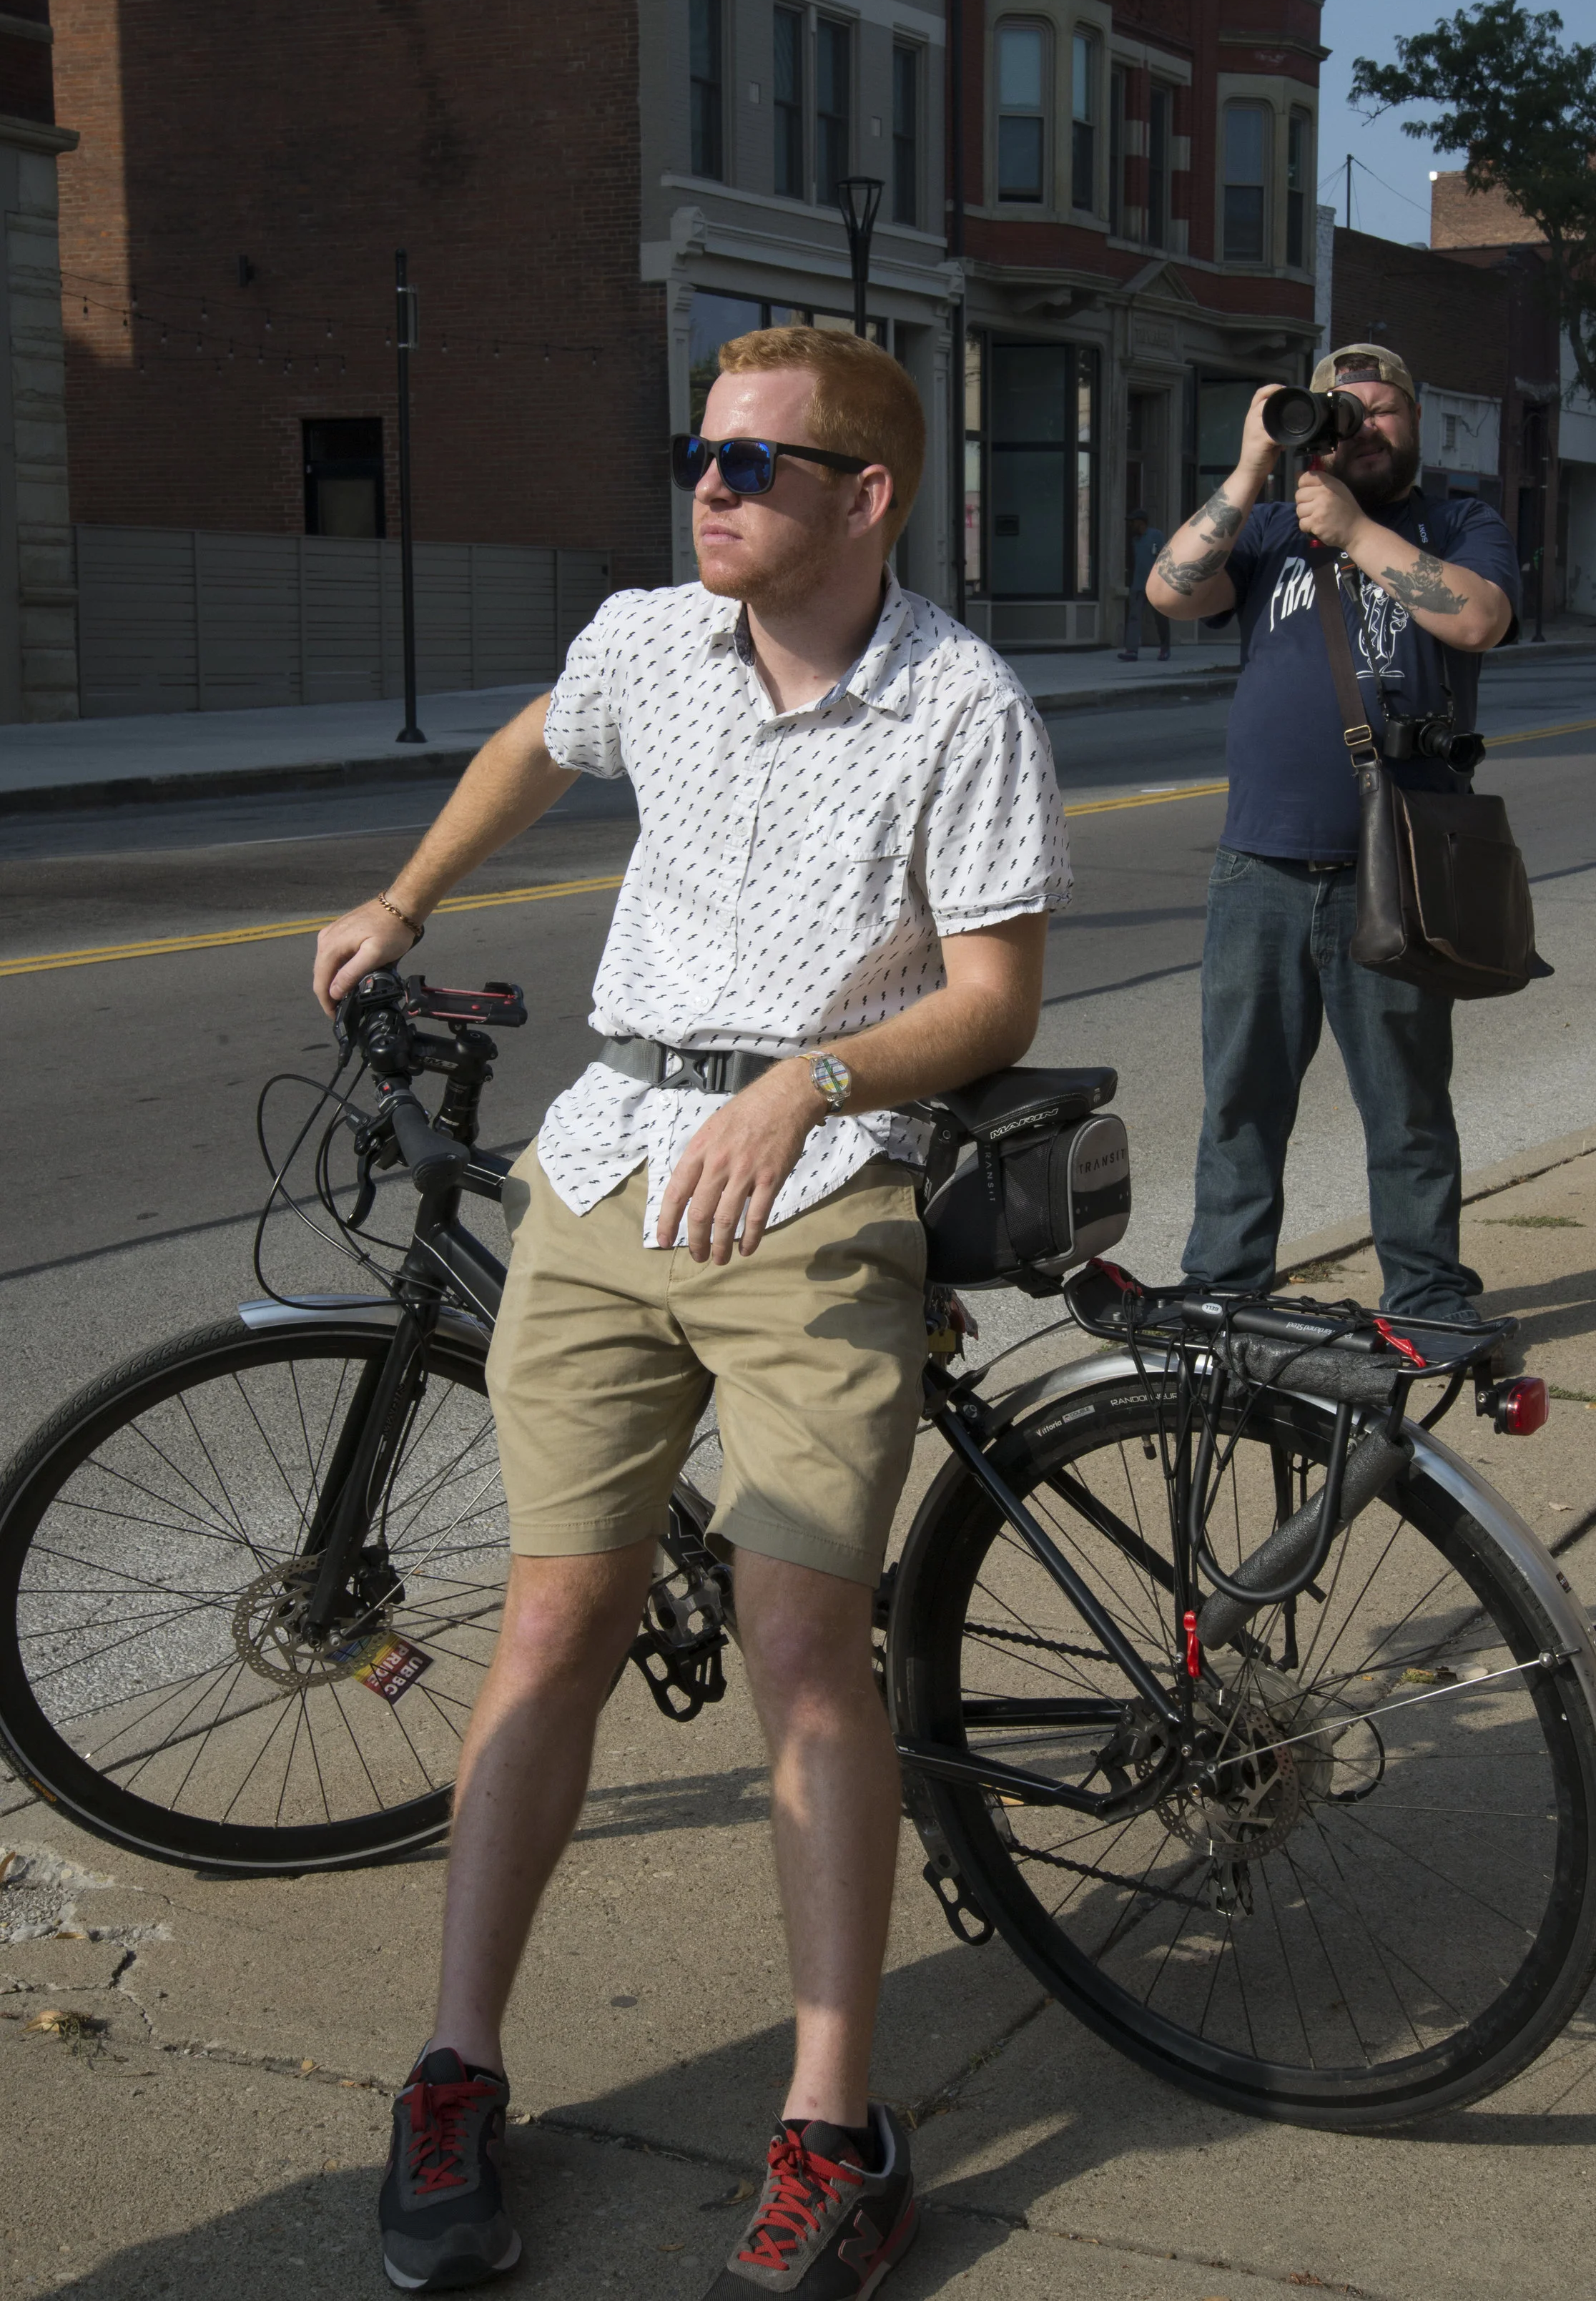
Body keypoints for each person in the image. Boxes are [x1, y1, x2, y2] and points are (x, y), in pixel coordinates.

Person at [310, 325, 1071, 2298]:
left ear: (864, 497)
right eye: (700, 451)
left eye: (752, 462)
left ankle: (833, 2126)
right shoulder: (650, 638)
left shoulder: (957, 703)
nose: (709, 486)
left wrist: (808, 1084)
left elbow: (992, 997)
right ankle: (456, 2070)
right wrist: (404, 902)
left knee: (798, 1637)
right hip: (602, 1161)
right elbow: (526, 744)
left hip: (816, 1186)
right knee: (548, 1619)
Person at [1146, 343, 1519, 1322]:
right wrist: (1249, 467)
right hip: (1256, 864)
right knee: (1240, 1098)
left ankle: (1427, 1297)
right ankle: (1224, 1287)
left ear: (1416, 425)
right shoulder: (1269, 528)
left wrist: (1353, 528)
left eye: (1385, 408)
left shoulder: (1457, 521)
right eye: (1341, 407)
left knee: (1405, 1108)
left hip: (1394, 864)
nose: (1363, 423)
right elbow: (1172, 591)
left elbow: (1478, 619)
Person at [1118, 508, 1171, 660]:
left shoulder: (1156, 535)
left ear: (1141, 522)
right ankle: (1132, 651)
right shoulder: (1134, 541)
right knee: (1134, 617)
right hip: (1138, 585)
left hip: (1156, 586)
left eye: (1133, 522)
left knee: (1161, 619)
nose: (1130, 525)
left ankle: (1165, 649)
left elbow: (1165, 557)